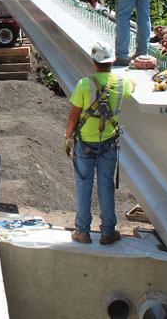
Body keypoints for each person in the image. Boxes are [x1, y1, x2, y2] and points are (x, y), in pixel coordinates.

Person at [63, 41, 136, 245]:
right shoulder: (122, 84)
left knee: (84, 186)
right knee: (106, 186)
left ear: (94, 62)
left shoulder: (84, 84)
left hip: (85, 143)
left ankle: (83, 232)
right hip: (108, 144)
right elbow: (133, 86)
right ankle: (107, 232)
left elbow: (73, 116)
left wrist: (68, 137)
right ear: (112, 63)